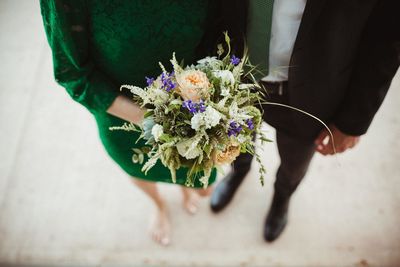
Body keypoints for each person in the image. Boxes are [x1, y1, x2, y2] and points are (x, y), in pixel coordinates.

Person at [210, 0, 400, 242]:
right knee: (236, 141)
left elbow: (385, 38)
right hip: (238, 76)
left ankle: (282, 196)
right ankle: (239, 171)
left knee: (294, 162)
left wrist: (353, 122)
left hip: (314, 93)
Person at [40, 0, 219, 246]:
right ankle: (159, 204)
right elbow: (72, 73)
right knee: (139, 167)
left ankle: (184, 188)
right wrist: (151, 122)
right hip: (120, 112)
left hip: (195, 105)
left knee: (194, 175)